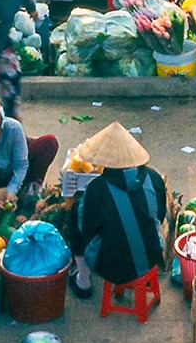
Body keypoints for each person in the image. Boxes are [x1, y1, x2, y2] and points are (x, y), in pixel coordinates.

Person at [55, 123, 168, 299]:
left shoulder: (97, 189)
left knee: (76, 213)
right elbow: (160, 217)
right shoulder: (154, 178)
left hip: (110, 267)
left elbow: (87, 231)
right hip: (152, 254)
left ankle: (83, 280)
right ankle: (139, 268)